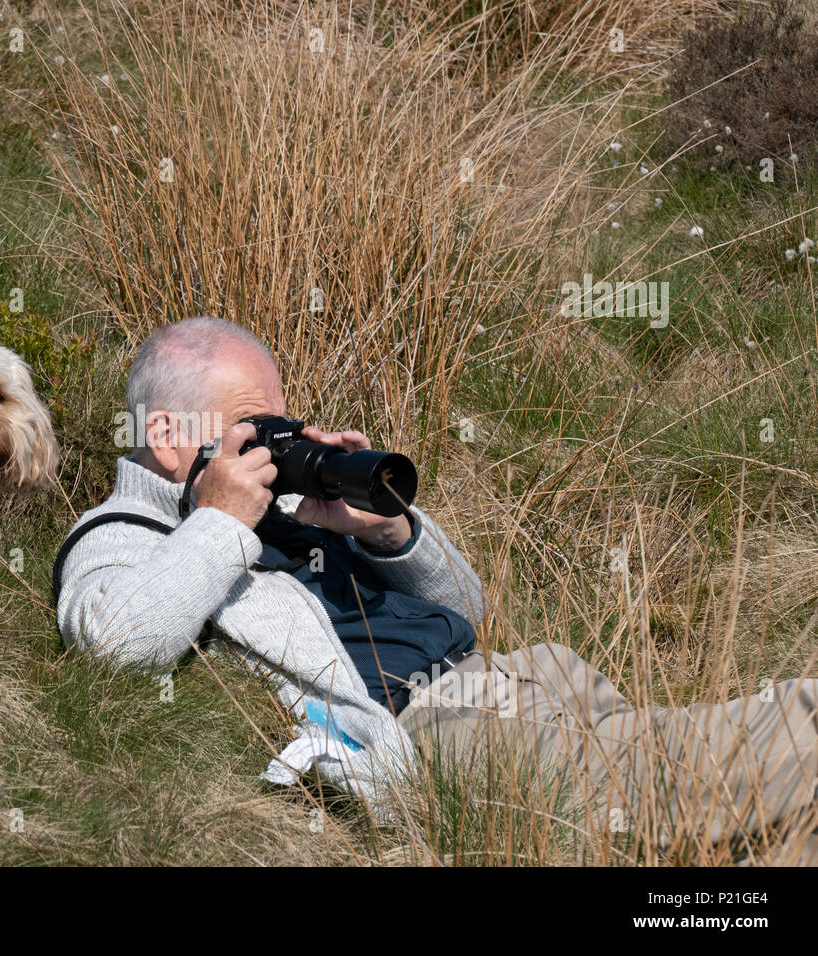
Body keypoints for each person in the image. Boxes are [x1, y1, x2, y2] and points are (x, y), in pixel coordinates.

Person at [55, 317, 818, 858]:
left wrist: (382, 529)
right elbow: (118, 645)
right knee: (745, 749)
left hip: (529, 679)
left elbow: (467, 611)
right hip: (445, 731)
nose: (273, 446)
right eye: (253, 427)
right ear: (166, 436)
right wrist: (221, 521)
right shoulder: (122, 535)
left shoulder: (287, 508)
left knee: (760, 834)